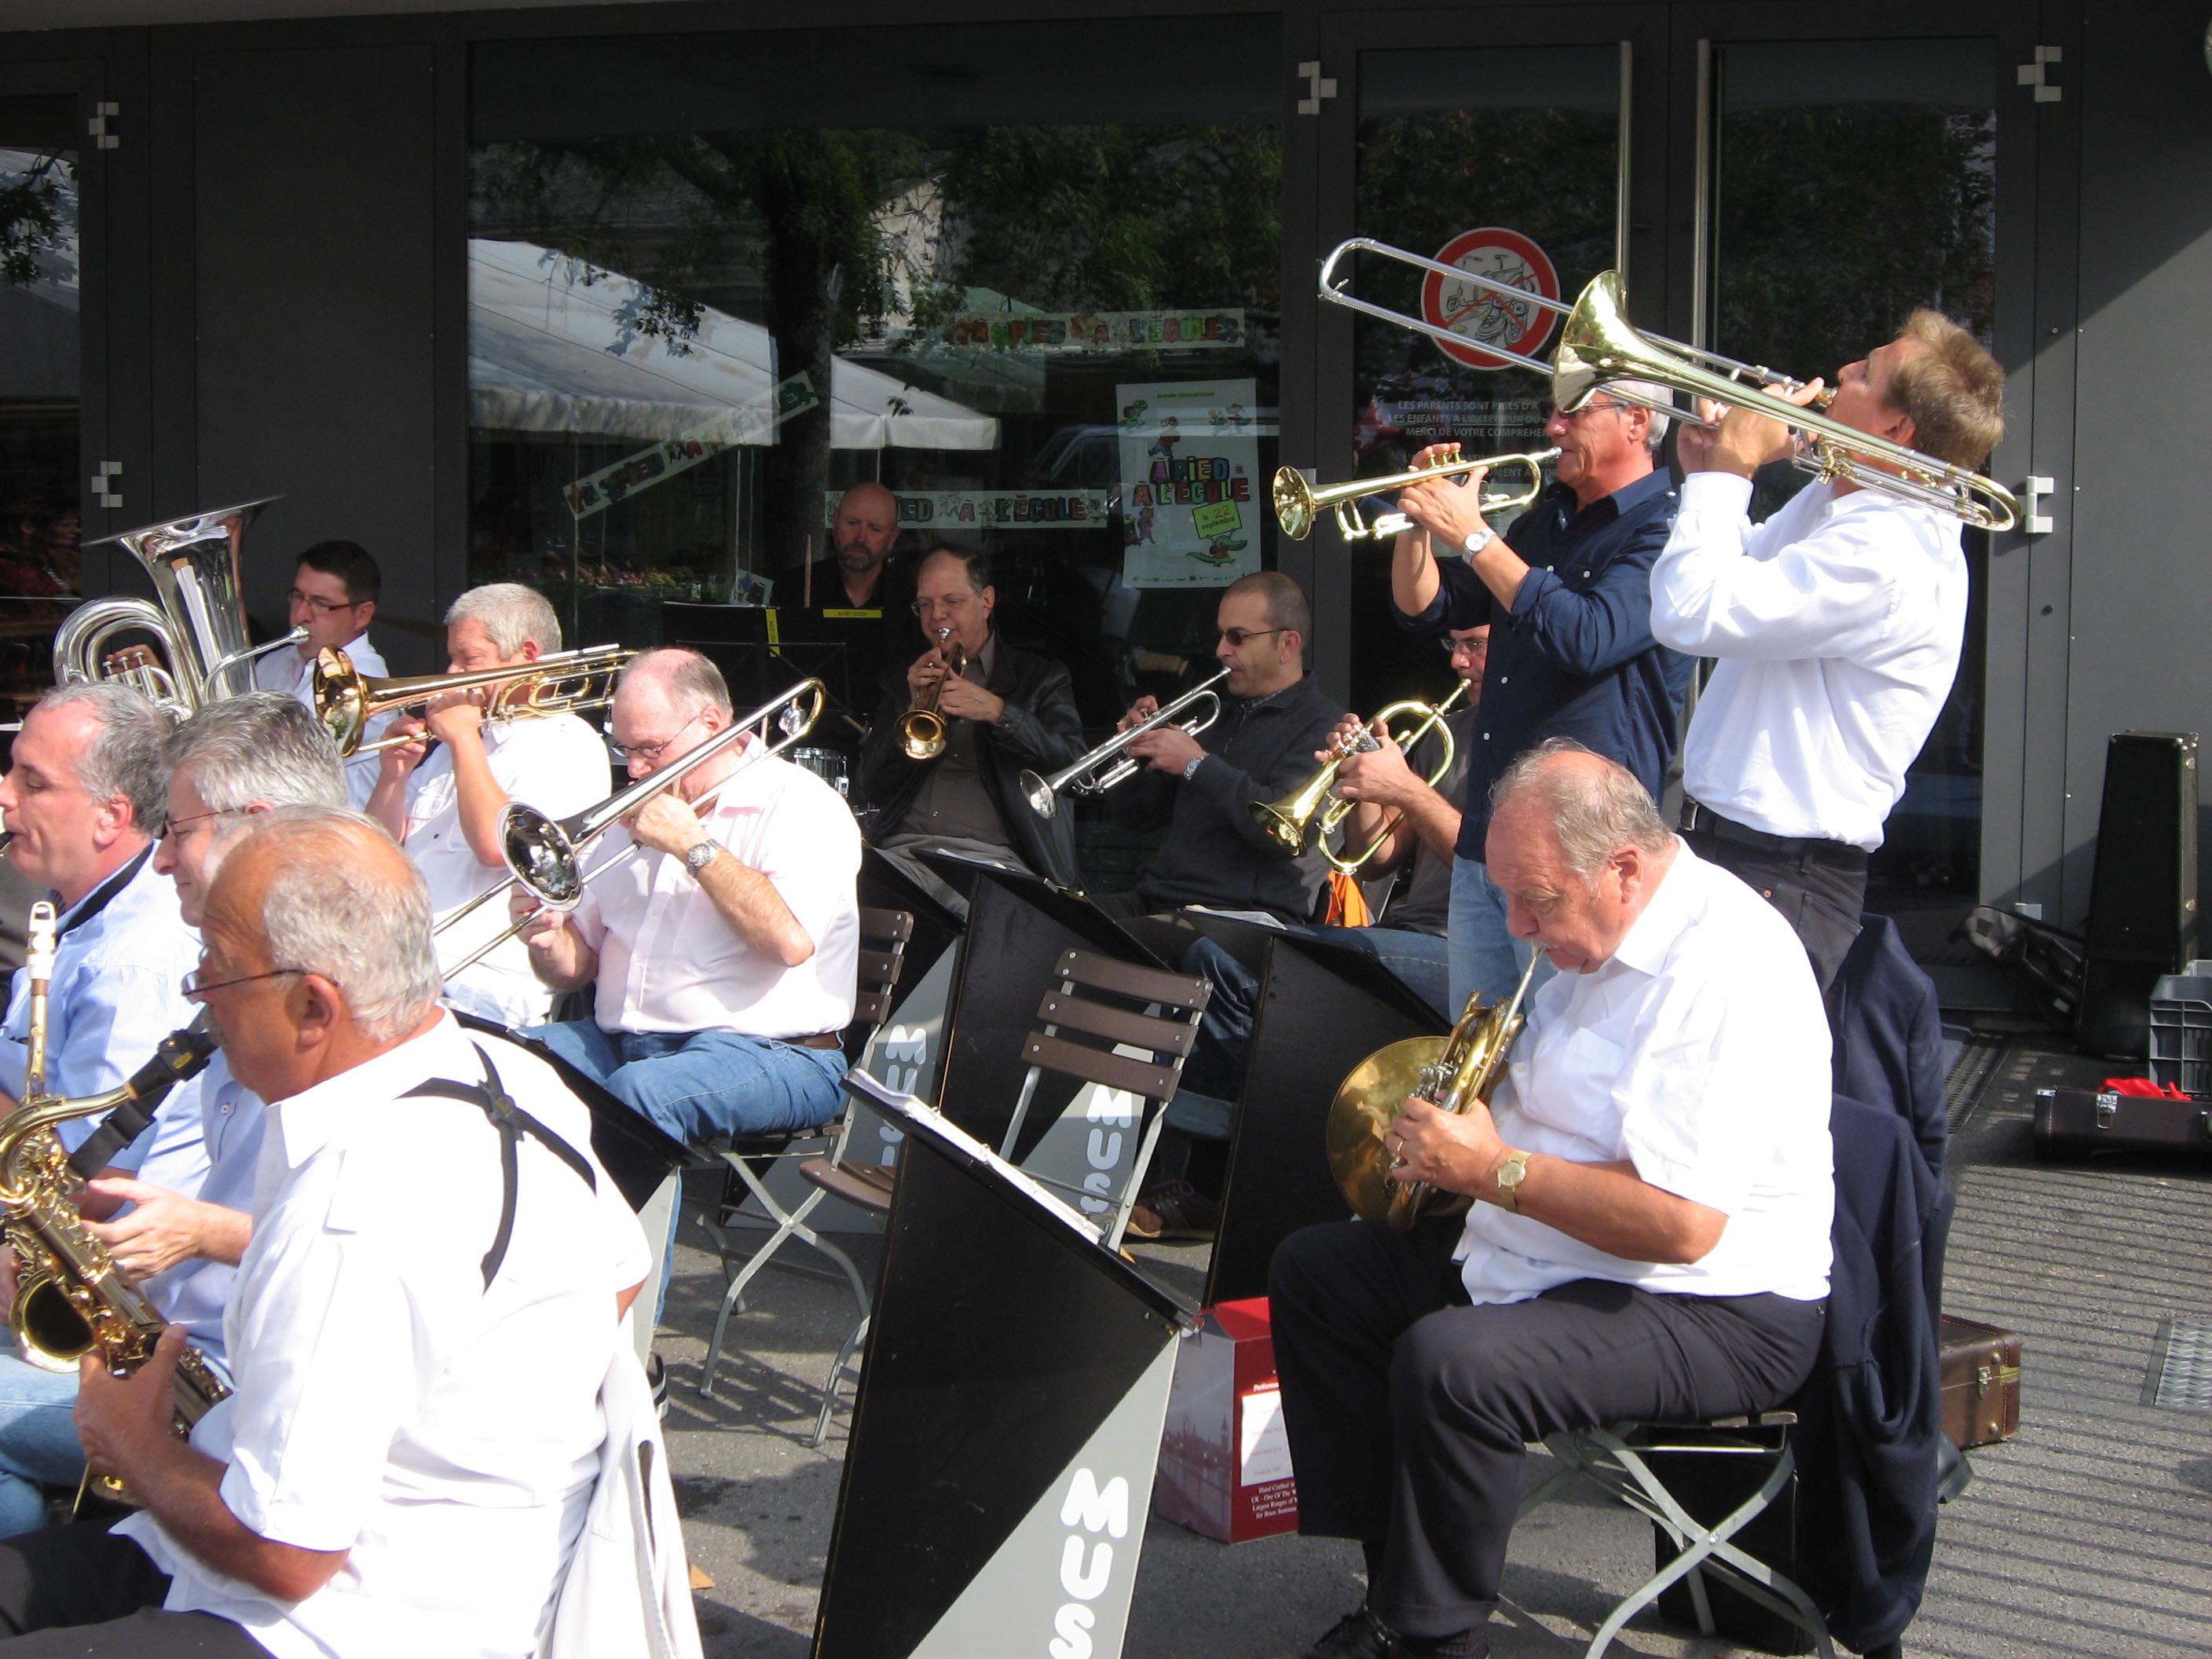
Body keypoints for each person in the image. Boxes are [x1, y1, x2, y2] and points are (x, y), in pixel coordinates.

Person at [0, 809, 650, 1656]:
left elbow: (285, 1556)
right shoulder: (514, 1074)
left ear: (314, 1005)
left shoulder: (354, 1211)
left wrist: (133, 1442)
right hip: (430, 1578)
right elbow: (620, 1272)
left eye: (217, 968)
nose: (197, 993)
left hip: (334, 1625)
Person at [1269, 742, 1833, 1659]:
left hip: (1716, 1305)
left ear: (1623, 869)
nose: (1518, 927)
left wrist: (1490, 1169)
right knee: (1321, 1273)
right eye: (1507, 897)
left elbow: (1682, 1224)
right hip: (1557, 1250)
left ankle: (1433, 1639)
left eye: (1535, 900)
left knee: (1453, 1365)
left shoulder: (1723, 966)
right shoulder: (1597, 929)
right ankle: (1394, 1595)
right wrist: (1454, 1129)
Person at [0, 693, 347, 1536]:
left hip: (217, 1397)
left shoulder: (164, 969)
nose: (159, 862)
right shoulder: (225, 999)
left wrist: (207, 1233)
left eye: (177, 832)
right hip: (177, 1353)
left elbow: (383, 1246)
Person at [1650, 311, 2006, 991]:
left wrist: (1732, 470)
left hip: (1782, 873)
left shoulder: (1889, 549)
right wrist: (1709, 475)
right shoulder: (1844, 501)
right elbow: (1733, 576)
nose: (1840, 373)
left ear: (1897, 429)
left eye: (1864, 373)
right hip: (1737, 852)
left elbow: (1689, 613)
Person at [1132, 625, 1485, 1244]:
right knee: (1215, 956)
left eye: (1475, 644)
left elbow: (1495, 870)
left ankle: (1236, 1187)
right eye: (1453, 643)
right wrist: (1363, 781)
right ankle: (1205, 1171)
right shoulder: (1448, 733)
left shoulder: (1536, 738)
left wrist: (1406, 789)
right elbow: (1377, 859)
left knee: (1286, 962)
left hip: (1471, 950)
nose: (1457, 661)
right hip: (1407, 931)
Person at [1386, 387, 1690, 1013]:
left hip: (1580, 853)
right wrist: (1419, 520)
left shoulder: (1667, 531)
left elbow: (1589, 637)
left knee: (1568, 1043)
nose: (1553, 427)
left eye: (1574, 413)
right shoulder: (1541, 524)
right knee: (1474, 1046)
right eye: (1554, 411)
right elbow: (1427, 608)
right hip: (1488, 842)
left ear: (1637, 422)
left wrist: (1473, 534)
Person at [517, 647, 860, 1152]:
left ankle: (623, 1208)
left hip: (776, 1052)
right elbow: (576, 970)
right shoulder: (629, 817)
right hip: (624, 1045)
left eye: (651, 749)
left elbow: (790, 943)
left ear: (711, 723)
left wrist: (691, 844)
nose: (636, 769)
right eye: (625, 749)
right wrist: (548, 938)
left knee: (641, 1094)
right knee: (503, 1060)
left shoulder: (802, 803)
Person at [367, 583, 610, 1029]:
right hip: (399, 963)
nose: (451, 672)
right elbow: (376, 853)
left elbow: (497, 849)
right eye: (452, 657)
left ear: (527, 655)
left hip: (478, 985)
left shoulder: (568, 742)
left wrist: (463, 739)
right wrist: (393, 775)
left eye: (470, 659)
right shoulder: (458, 742)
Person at [1092, 571, 1346, 927]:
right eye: (1221, 635)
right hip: (1161, 899)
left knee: (1105, 943)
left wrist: (1197, 764)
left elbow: (1282, 834)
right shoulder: (1214, 716)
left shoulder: (1326, 727)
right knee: (1049, 919)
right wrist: (1132, 749)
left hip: (1242, 916)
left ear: (1287, 645)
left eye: (1237, 637)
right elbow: (1137, 816)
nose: (1221, 650)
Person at [0, 684, 200, 1133]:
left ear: (111, 817)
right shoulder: (83, 896)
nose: (5, 795)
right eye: (10, 770)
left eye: (34, 784)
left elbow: (85, 1169)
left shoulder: (132, 965)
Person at [857, 544, 1086, 915]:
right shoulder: (905, 679)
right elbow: (871, 785)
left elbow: (1075, 767)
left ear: (987, 601)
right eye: (926, 604)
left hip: (994, 863)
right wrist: (909, 708)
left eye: (951, 601)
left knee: (972, 924)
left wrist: (1001, 713)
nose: (937, 616)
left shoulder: (1041, 678)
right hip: (903, 856)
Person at [251, 540, 389, 809]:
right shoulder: (271, 664)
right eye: (297, 597)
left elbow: (273, 765)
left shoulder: (362, 680)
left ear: (362, 614)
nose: (301, 615)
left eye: (321, 604)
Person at [804, 482, 912, 614]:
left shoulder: (912, 600)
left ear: (893, 537)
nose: (860, 538)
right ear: (835, 523)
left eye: (875, 529)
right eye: (852, 523)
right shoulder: (795, 589)